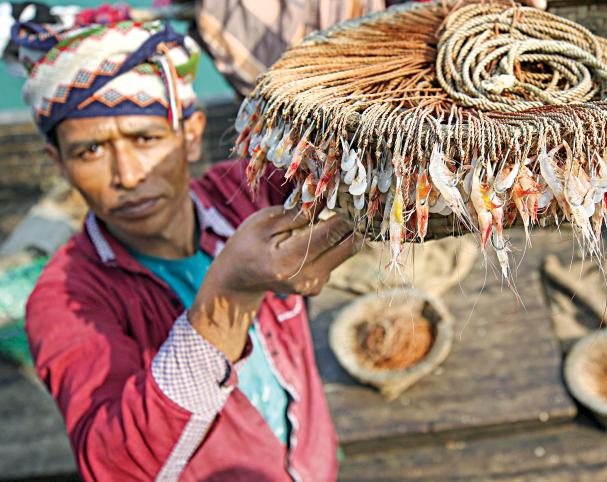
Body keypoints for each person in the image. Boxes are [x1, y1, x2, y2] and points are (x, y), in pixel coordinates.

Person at [16, 18, 358, 481]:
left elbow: (355, 168)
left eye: (146, 138)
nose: (128, 174)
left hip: (313, 461)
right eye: (90, 151)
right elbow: (115, 465)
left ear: (191, 135)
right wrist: (228, 297)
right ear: (60, 163)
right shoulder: (63, 300)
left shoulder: (247, 192)